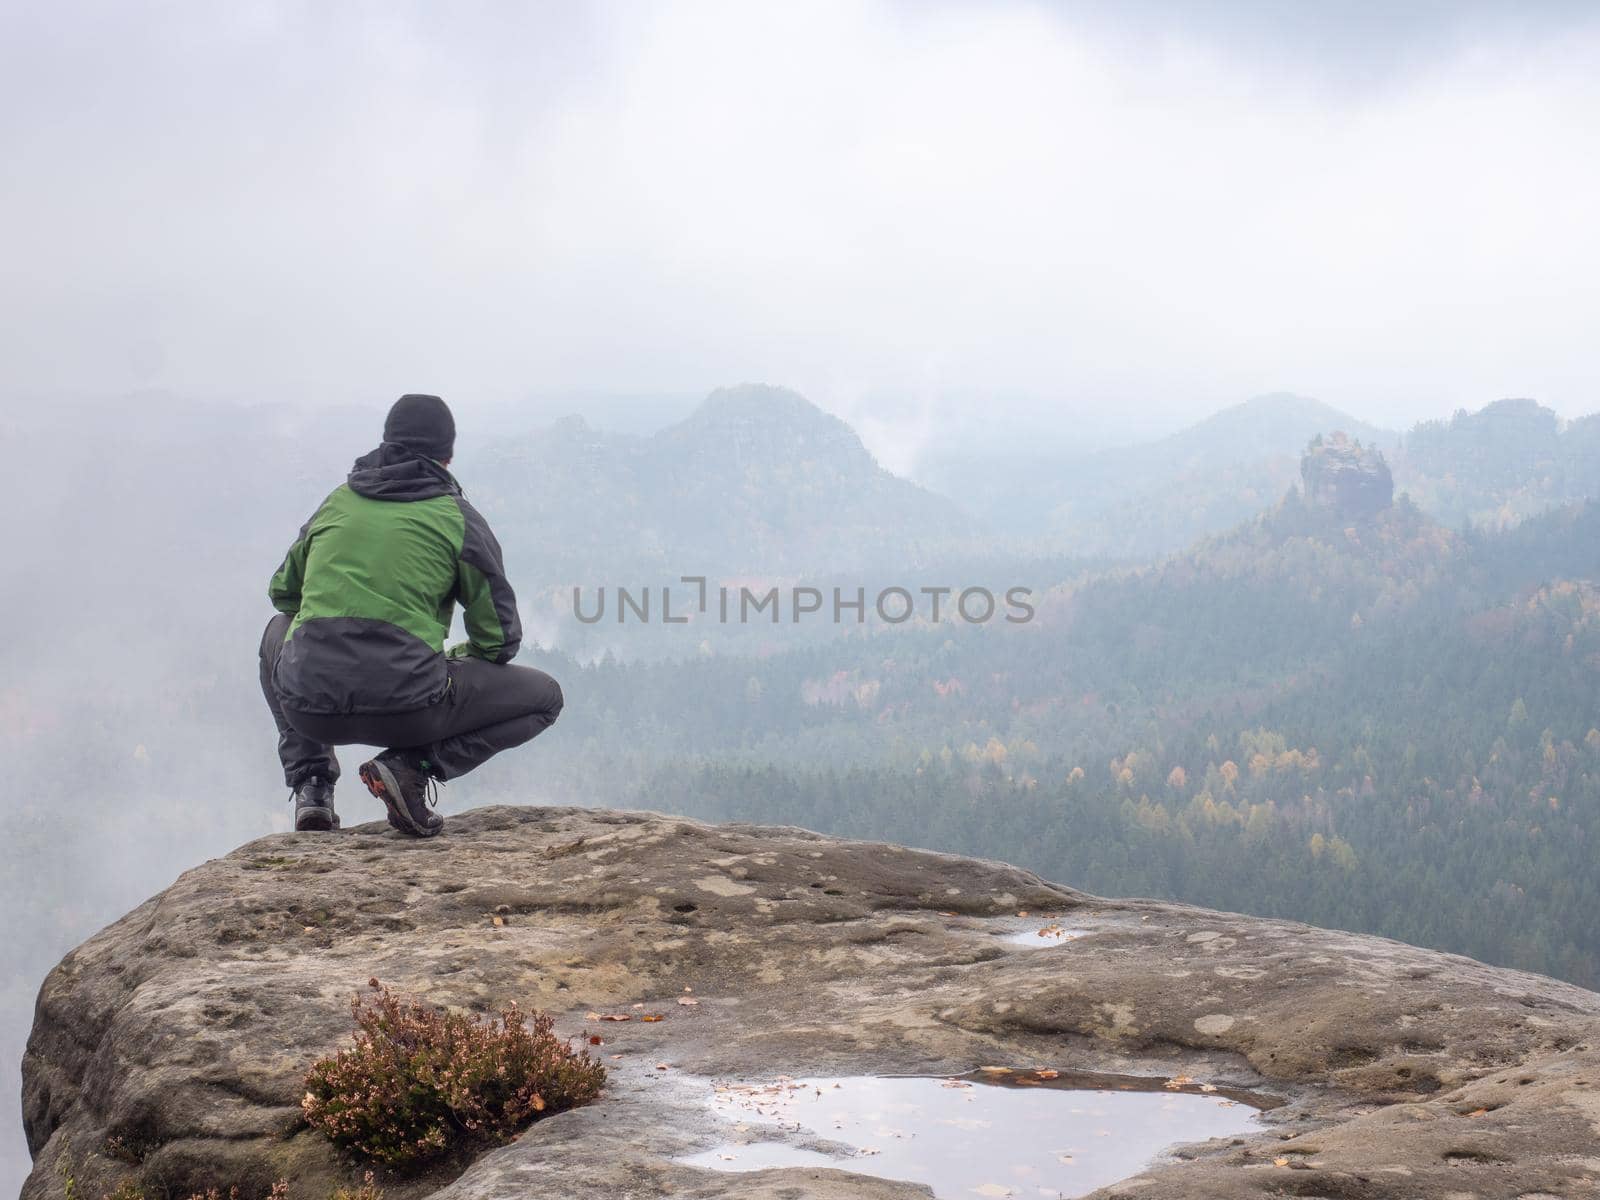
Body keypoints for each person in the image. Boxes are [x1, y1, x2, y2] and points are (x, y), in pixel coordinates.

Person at [259, 393, 563, 836]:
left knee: (276, 632)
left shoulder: (337, 503)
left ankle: (313, 786)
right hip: (411, 711)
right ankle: (411, 766)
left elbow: (283, 595)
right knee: (545, 698)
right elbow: (499, 641)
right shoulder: (458, 518)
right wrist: (444, 660)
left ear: (385, 443)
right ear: (448, 455)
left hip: (310, 709)